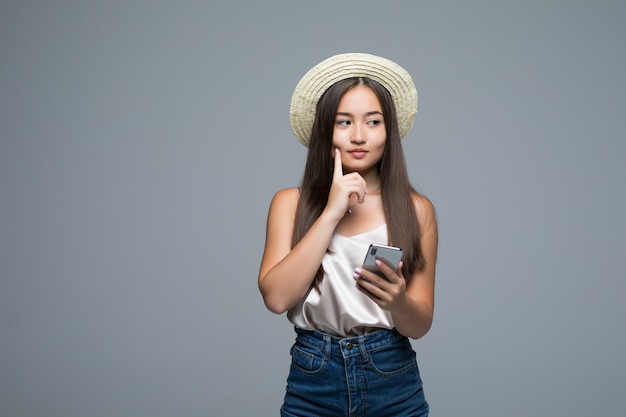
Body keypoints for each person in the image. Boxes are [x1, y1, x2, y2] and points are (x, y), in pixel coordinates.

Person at [258, 53, 438, 417]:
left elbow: (419, 325)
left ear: (389, 131)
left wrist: (398, 300)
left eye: (373, 121)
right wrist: (331, 212)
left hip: (392, 376)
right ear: (325, 130)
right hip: (314, 379)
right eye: (344, 122)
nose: (359, 135)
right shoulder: (290, 204)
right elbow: (276, 298)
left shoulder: (416, 209)